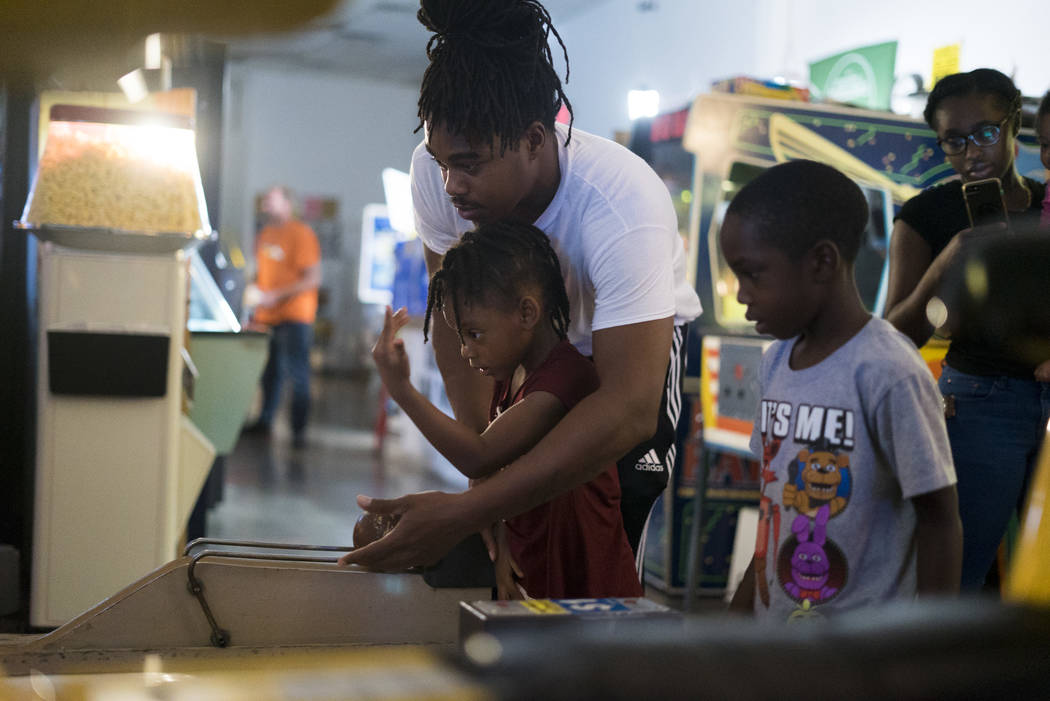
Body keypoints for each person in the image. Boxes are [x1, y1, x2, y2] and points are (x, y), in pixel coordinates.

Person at [341, 0, 701, 571]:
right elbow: (457, 325)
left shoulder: (621, 200)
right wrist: (486, 478)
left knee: (598, 543)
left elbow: (629, 407)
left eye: (470, 165)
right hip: (526, 358)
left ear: (536, 139)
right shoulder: (436, 176)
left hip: (624, 357)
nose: (451, 185)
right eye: (440, 163)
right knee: (518, 543)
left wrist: (468, 509)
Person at [348, 222, 643, 599]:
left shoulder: (565, 379)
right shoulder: (512, 377)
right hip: (535, 575)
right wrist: (501, 537)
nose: (467, 351)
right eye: (461, 337)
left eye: (475, 334)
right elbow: (508, 479)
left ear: (526, 313)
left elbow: (480, 457)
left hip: (588, 589)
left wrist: (401, 388)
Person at [726, 160, 961, 621]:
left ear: (821, 262)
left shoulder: (888, 371)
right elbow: (773, 508)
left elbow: (940, 520)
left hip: (863, 658)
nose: (741, 295)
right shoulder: (774, 361)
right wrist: (740, 615)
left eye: (753, 274)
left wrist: (930, 650)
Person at [883, 69, 1050, 592]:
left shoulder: (1048, 202)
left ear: (1014, 125)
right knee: (959, 572)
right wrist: (946, 264)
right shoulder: (925, 215)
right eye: (953, 141)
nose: (971, 152)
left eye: (984, 133)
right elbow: (895, 336)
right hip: (978, 402)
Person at [243, 185, 322, 450]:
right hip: (267, 317)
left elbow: (312, 279)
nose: (266, 203)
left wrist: (276, 295)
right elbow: (262, 275)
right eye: (265, 200)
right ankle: (264, 422)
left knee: (297, 374)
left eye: (272, 200)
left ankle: (298, 431)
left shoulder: (301, 234)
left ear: (288, 204)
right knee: (269, 374)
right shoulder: (265, 234)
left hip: (294, 317)